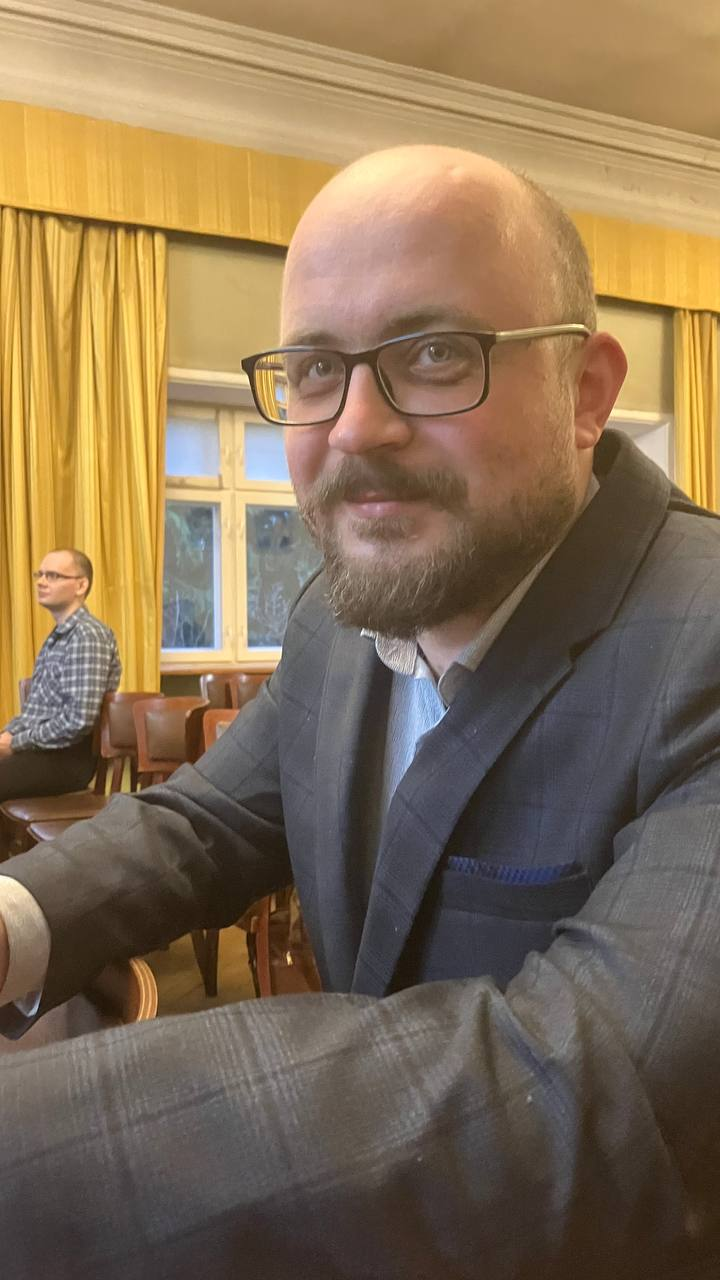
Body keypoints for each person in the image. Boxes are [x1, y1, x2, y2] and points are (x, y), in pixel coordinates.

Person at [1, 145, 720, 1279]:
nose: (354, 427)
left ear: (585, 392)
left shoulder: (703, 637)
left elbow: (594, 1094)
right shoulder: (335, 619)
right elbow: (206, 825)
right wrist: (13, 921)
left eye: (435, 355)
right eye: (313, 370)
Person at [0, 548, 121, 801]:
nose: (41, 582)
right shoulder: (58, 637)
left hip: (66, 760)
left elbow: (77, 721)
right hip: (41, 752)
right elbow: (34, 713)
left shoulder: (87, 635)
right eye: (40, 574)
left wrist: (16, 743)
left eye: (53, 576)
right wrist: (7, 736)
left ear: (81, 585)